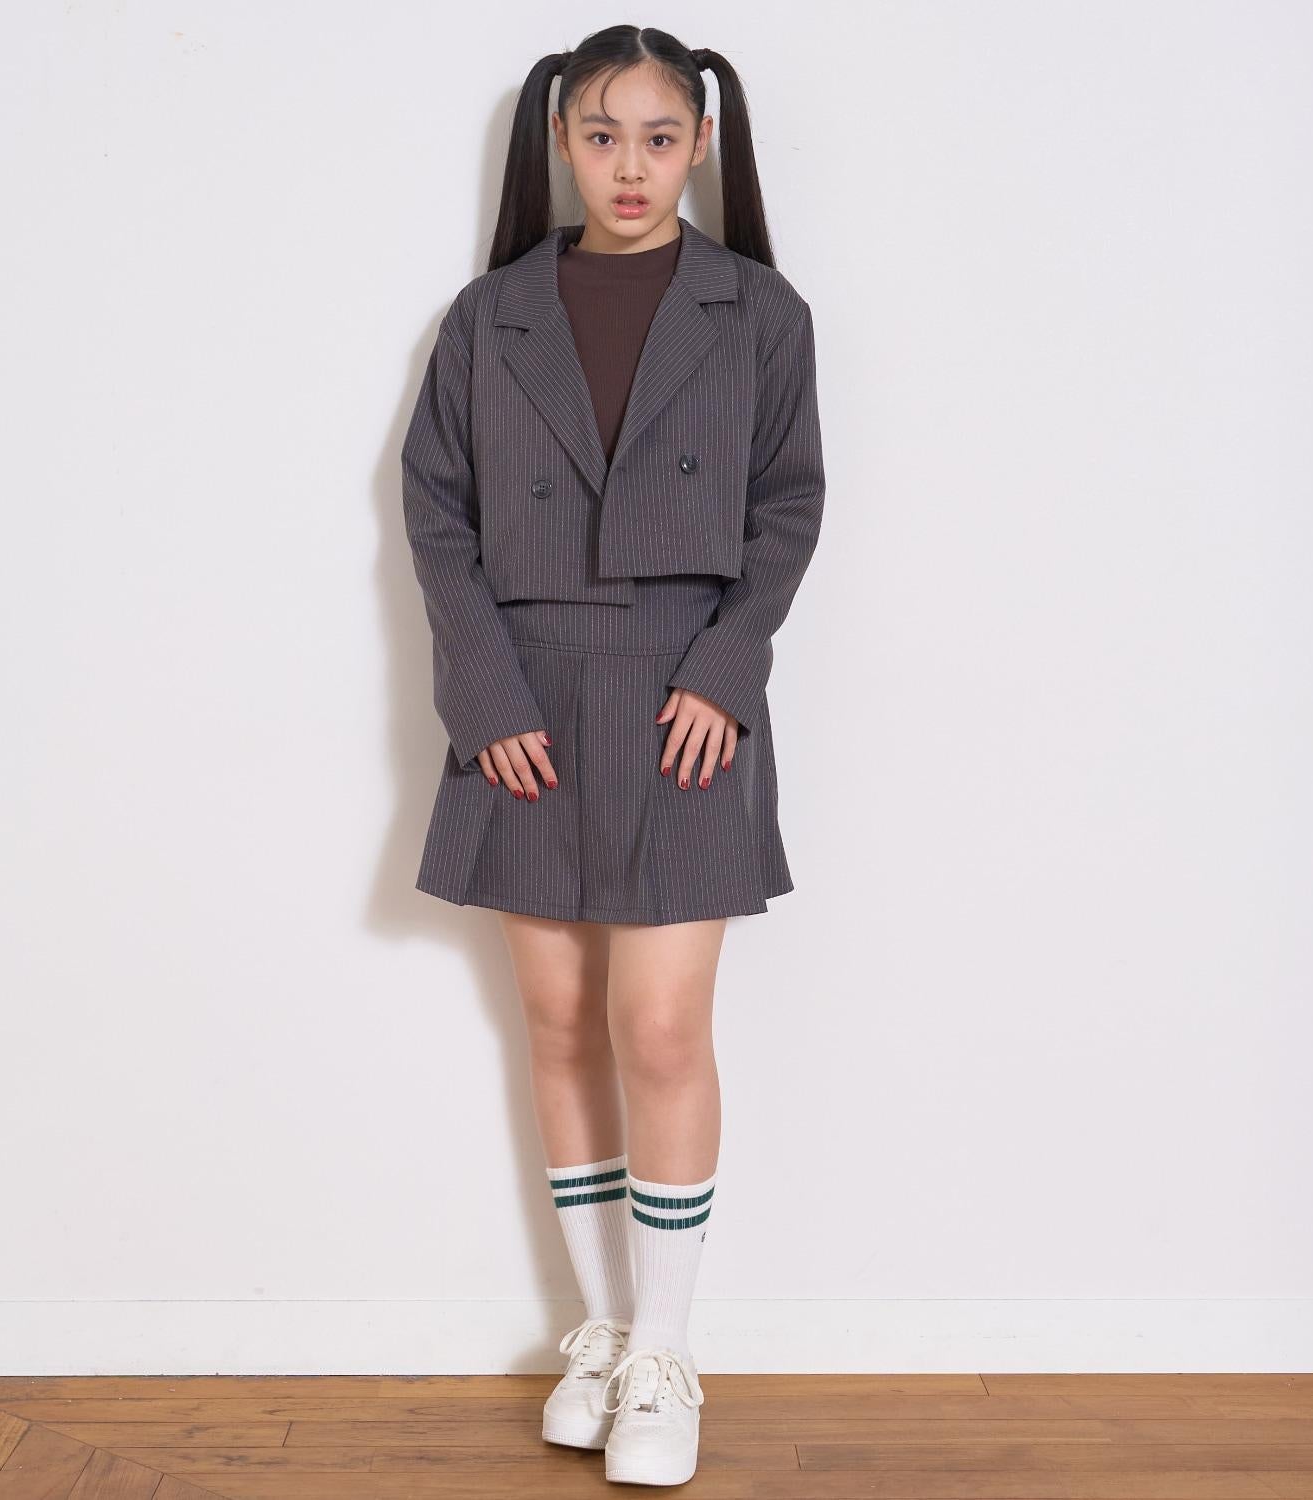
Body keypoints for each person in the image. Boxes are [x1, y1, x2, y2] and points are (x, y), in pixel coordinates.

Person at [400, 23, 825, 1488]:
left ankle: (667, 1350)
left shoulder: (759, 313)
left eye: (658, 136)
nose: (630, 167)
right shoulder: (489, 316)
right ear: (560, 142)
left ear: (700, 142)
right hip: (525, 703)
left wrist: (725, 668)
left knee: (659, 1028)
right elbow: (436, 515)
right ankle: (601, 1332)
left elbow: (788, 509)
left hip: (681, 703)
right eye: (601, 135)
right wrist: (486, 696)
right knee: (561, 1021)